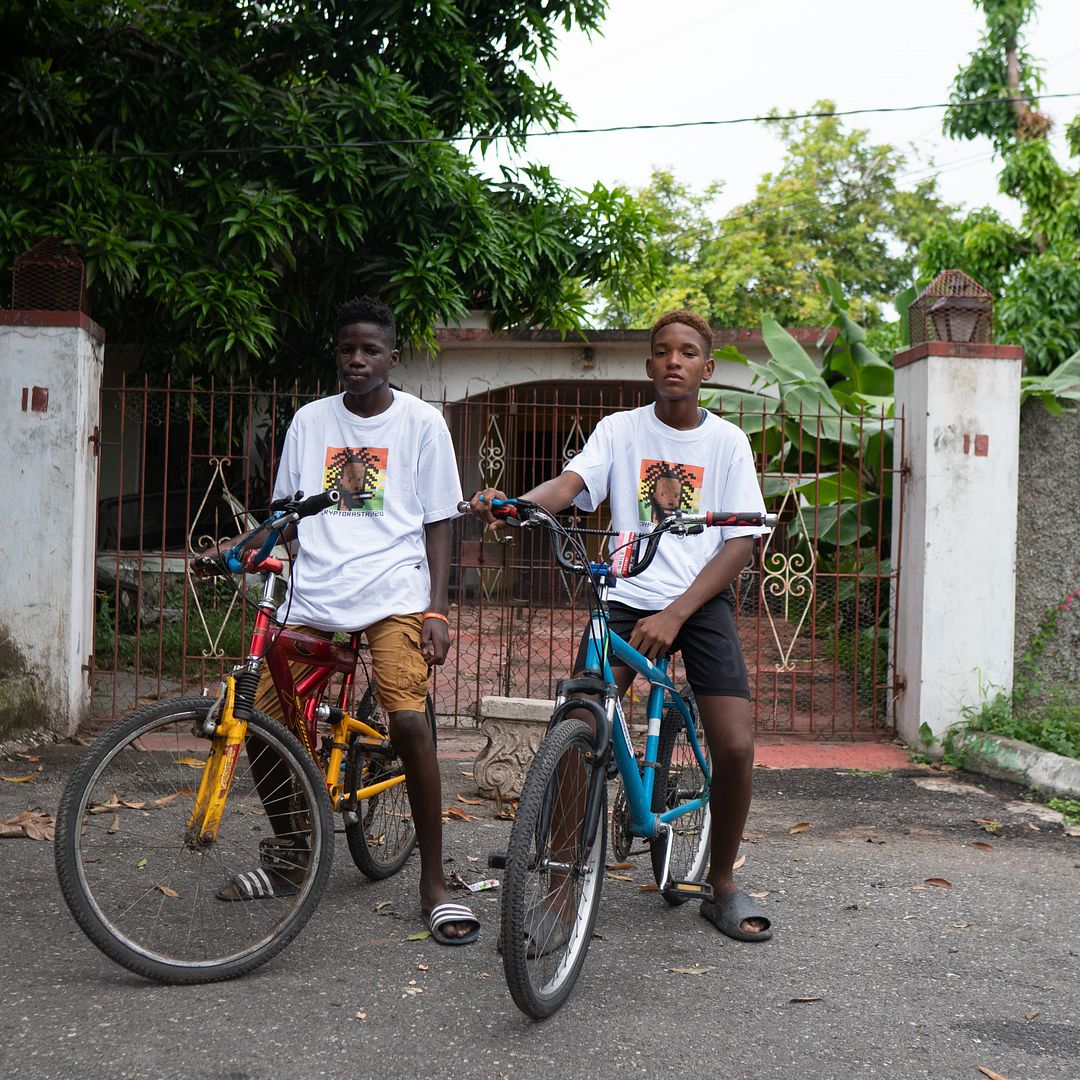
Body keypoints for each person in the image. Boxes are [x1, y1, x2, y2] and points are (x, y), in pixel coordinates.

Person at [468, 309, 772, 943]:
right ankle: (557, 887)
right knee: (579, 727)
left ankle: (720, 883)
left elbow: (741, 543)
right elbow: (571, 483)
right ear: (648, 365)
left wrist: (678, 612)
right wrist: (520, 506)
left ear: (707, 369)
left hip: (698, 601)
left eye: (687, 353)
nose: (673, 361)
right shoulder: (619, 430)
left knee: (736, 744)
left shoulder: (726, 443)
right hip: (625, 592)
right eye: (662, 351)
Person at [199, 296, 478, 945]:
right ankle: (293, 853)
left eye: (370, 350)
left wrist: (436, 607)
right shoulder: (309, 421)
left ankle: (433, 881)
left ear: (392, 357)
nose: (357, 359)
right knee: (263, 719)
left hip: (394, 590)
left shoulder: (421, 424)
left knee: (408, 716)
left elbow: (439, 520)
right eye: (348, 348)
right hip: (317, 587)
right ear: (338, 353)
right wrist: (237, 551)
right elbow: (285, 515)